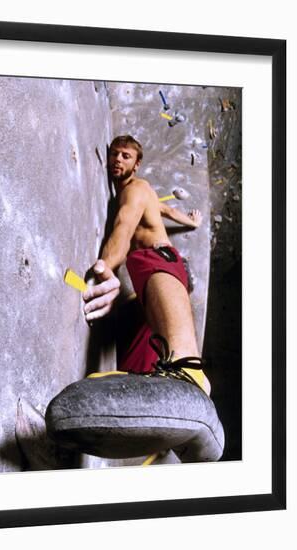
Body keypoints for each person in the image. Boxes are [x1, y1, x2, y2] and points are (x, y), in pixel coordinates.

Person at [82, 135, 210, 394]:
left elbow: (124, 228)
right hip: (157, 267)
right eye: (114, 154)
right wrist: (190, 222)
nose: (118, 159)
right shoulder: (146, 191)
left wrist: (106, 265)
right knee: (142, 369)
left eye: (126, 156)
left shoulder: (135, 190)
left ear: (137, 164)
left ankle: (194, 383)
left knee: (182, 366)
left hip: (157, 260)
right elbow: (167, 211)